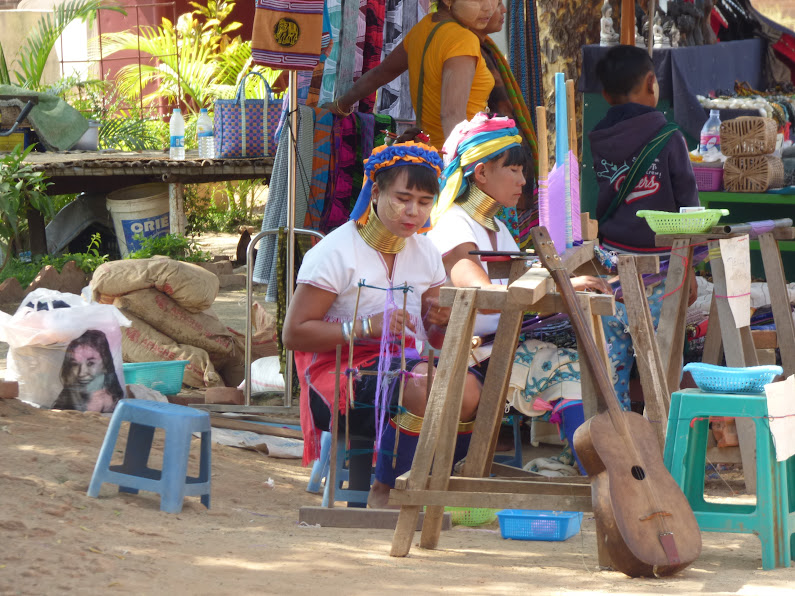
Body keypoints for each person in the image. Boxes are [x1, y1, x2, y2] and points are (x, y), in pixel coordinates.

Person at [283, 141, 482, 507]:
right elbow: (293, 334)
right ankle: (386, 491)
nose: (413, 211)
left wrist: (438, 320)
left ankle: (435, 486)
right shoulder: (334, 253)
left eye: (424, 202)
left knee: (470, 391)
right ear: (376, 192)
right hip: (338, 374)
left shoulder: (424, 253)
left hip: (405, 366)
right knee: (424, 387)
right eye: (403, 198)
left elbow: (431, 333)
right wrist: (364, 327)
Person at [427, 114, 611, 472]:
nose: (523, 182)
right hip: (463, 352)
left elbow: (518, 281)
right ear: (481, 173)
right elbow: (478, 288)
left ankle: (588, 467)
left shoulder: (496, 226)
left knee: (584, 355)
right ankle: (592, 473)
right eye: (513, 170)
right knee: (569, 365)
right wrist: (565, 286)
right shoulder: (453, 224)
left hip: (497, 344)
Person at [589, 45, 700, 409]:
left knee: (612, 366)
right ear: (652, 83)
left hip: (610, 270)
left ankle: (615, 437)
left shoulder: (598, 139)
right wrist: (692, 270)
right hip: (660, 275)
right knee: (659, 363)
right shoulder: (670, 137)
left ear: (605, 95)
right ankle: (663, 440)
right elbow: (689, 208)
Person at [324, 0, 497, 148]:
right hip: (454, 153)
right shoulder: (462, 39)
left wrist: (340, 105)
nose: (489, 7)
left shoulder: (425, 27)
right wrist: (462, 167)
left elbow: (380, 74)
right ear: (447, 1)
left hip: (427, 151)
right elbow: (451, 114)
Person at [53, 329, 124, 413]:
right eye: (75, 364)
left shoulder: (113, 400)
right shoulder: (67, 398)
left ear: (106, 364)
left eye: (90, 363)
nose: (81, 373)